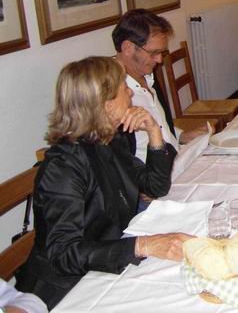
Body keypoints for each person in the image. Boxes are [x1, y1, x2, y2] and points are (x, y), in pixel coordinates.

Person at [16, 57, 192, 309]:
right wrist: (142, 245)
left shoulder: (110, 140)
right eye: (124, 87)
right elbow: (63, 254)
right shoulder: (63, 167)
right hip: (65, 290)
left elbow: (154, 187)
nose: (130, 92)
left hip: (104, 268)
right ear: (106, 104)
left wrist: (154, 132)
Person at [112, 9, 207, 162]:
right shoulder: (112, 93)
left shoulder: (147, 75)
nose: (159, 60)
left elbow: (160, 123)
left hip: (177, 158)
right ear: (128, 48)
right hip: (153, 172)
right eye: (154, 53)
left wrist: (182, 135)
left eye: (162, 52)